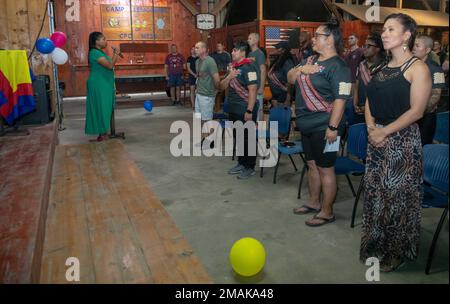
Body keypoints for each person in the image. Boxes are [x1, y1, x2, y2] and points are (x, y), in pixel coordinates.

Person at [361, 13, 432, 272]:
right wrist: (371, 128)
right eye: (384, 29)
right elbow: (369, 101)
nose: (385, 33)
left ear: (406, 35)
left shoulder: (418, 68)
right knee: (377, 197)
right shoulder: (379, 68)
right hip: (376, 139)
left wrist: (384, 132)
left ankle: (396, 251)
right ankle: (377, 245)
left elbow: (417, 111)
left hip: (401, 143)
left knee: (397, 200)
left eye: (391, 29)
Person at [288, 19, 352, 227]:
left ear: (330, 39)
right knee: (311, 165)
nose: (313, 38)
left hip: (326, 128)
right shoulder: (311, 60)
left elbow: (341, 100)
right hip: (306, 125)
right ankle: (314, 203)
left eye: (317, 35)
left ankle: (327, 211)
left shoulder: (339, 67)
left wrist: (333, 128)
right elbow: (290, 78)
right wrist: (300, 70)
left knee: (326, 169)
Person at [220, 41, 259, 179]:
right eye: (233, 50)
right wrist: (229, 76)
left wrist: (249, 110)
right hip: (234, 108)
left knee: (248, 139)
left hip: (245, 109)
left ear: (243, 52)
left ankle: (250, 167)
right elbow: (221, 87)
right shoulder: (232, 68)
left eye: (235, 50)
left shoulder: (250, 67)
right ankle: (242, 163)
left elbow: (253, 89)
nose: (232, 52)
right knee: (239, 137)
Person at [85, 32, 120, 142]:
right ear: (96, 41)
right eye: (103, 39)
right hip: (99, 84)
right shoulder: (94, 53)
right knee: (101, 108)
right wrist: (116, 54)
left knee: (105, 108)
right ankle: (102, 134)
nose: (106, 41)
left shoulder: (100, 52)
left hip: (105, 83)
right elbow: (110, 66)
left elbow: (110, 68)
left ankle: (103, 133)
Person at [413, 35, 446, 145]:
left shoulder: (436, 68)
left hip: (425, 118)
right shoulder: (410, 65)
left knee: (423, 148)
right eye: (413, 44)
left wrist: (418, 111)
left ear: (427, 50)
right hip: (409, 116)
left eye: (417, 45)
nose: (413, 48)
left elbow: (436, 96)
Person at [353, 32, 386, 124]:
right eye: (364, 45)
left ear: (378, 49)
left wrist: (368, 107)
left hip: (376, 110)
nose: (364, 48)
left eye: (369, 46)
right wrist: (355, 102)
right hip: (359, 108)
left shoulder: (384, 66)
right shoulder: (361, 64)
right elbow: (357, 84)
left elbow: (382, 92)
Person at [194, 41, 220, 148]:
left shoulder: (210, 61)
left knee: (207, 120)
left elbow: (217, 79)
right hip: (199, 94)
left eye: (197, 48)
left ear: (204, 50)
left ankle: (210, 141)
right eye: (195, 48)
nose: (195, 49)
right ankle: (205, 140)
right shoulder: (197, 62)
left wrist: (215, 92)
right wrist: (197, 89)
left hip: (207, 96)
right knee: (200, 118)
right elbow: (199, 77)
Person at [267, 41, 295, 107]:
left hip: (283, 98)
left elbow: (290, 83)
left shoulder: (287, 62)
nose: (275, 49)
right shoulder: (279, 59)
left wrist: (288, 100)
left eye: (277, 48)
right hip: (276, 97)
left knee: (281, 116)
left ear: (283, 50)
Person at [247, 33, 267, 121]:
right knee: (254, 108)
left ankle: (262, 132)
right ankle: (254, 130)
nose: (248, 40)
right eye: (248, 38)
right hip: (251, 86)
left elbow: (263, 70)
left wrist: (262, 87)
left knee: (260, 109)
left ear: (256, 40)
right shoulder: (250, 54)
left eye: (250, 38)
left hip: (258, 86)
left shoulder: (260, 53)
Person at [211, 42, 231, 113]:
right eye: (217, 46)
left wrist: (228, 74)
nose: (218, 47)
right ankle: (217, 107)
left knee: (226, 93)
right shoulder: (213, 55)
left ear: (223, 47)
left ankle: (226, 108)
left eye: (219, 46)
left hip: (225, 75)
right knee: (217, 92)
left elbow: (230, 65)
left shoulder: (227, 55)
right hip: (216, 75)